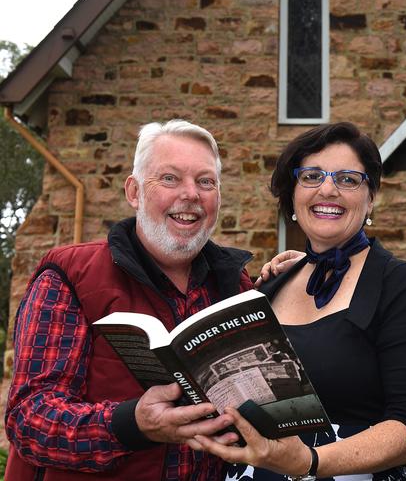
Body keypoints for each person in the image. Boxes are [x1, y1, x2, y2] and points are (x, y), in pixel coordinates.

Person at [5, 120, 253, 480]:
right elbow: (29, 419)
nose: (191, 194)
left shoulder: (237, 285)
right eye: (170, 178)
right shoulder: (70, 276)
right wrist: (129, 424)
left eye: (205, 182)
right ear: (134, 192)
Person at [190, 122, 406, 480]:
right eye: (311, 176)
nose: (328, 189)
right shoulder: (269, 287)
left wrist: (310, 462)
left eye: (348, 179)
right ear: (293, 196)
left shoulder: (401, 285)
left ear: (371, 198)